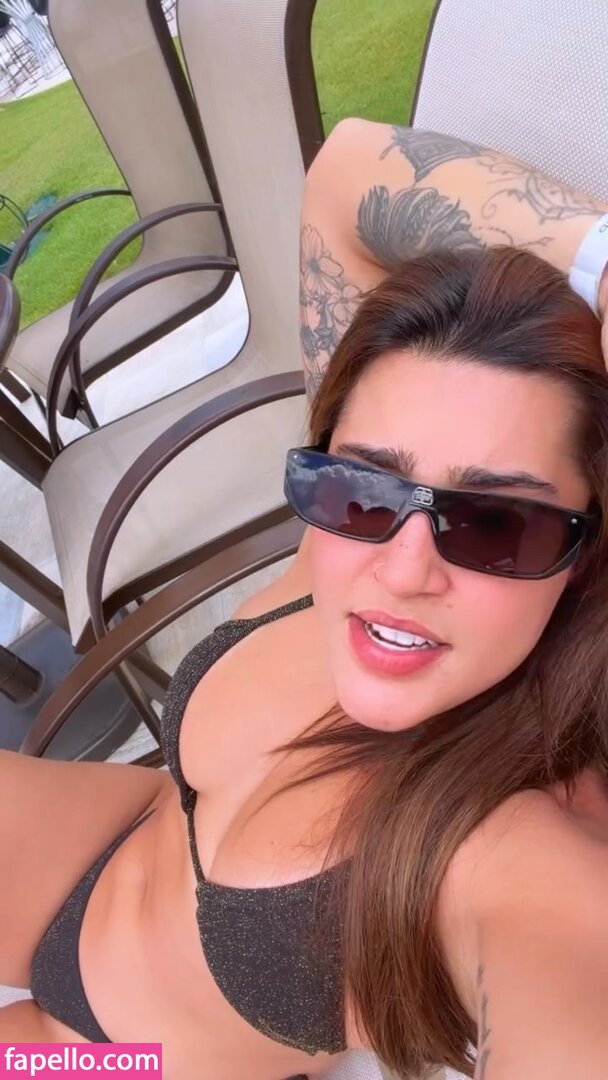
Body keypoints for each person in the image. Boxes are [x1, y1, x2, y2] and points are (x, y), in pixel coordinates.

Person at [1, 125, 608, 1080]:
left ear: (583, 550)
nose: (402, 569)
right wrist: (602, 262)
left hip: (112, 1057)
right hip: (110, 837)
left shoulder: (518, 847)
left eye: (495, 523)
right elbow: (346, 171)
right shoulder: (337, 541)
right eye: (364, 487)